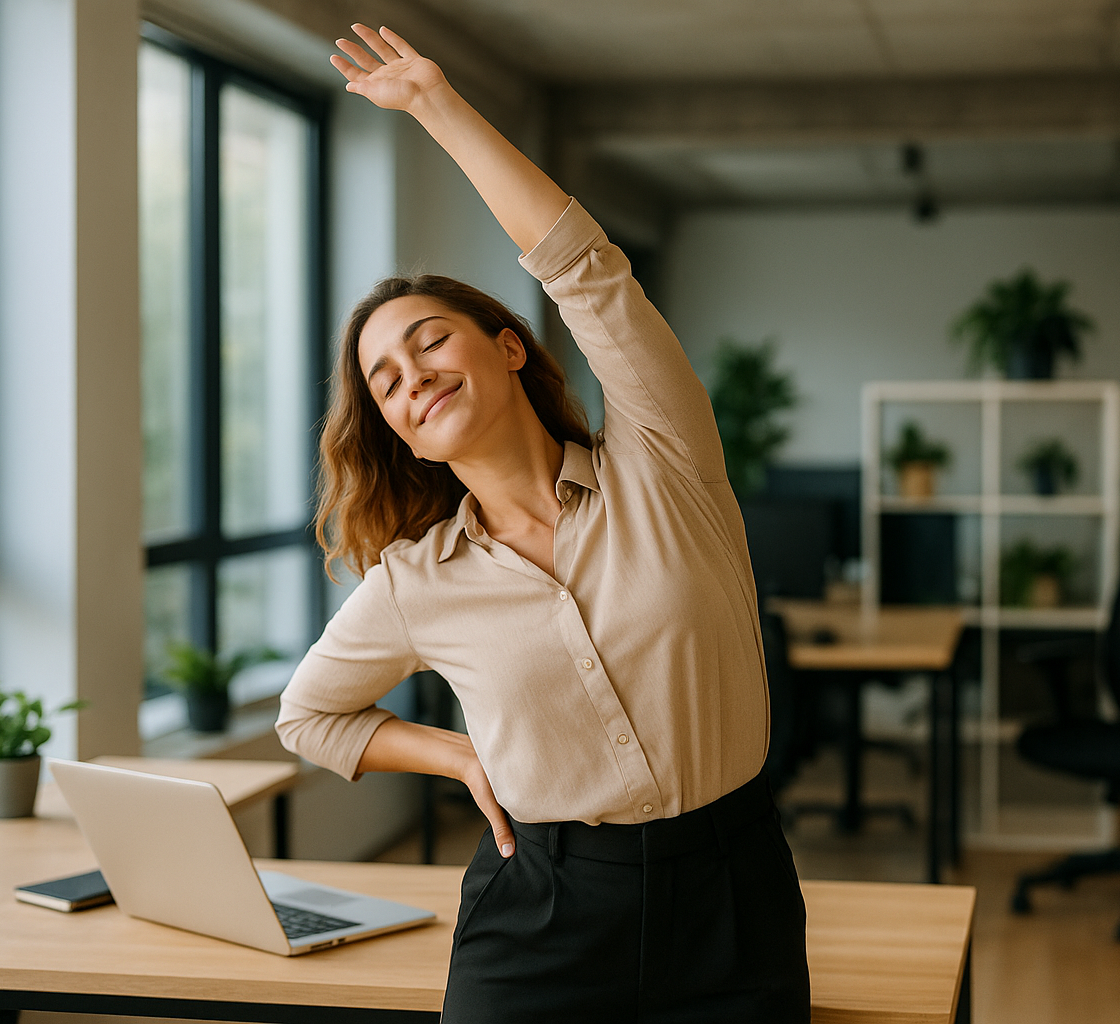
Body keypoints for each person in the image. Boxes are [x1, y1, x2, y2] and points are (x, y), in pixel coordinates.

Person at [275, 22, 810, 1023]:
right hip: (544, 912)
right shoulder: (414, 578)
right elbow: (308, 715)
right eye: (384, 382)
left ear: (509, 348)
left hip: (730, 899)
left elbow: (587, 270)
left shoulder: (664, 461)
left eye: (430, 340)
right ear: (397, 434)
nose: (411, 378)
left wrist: (439, 107)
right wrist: (456, 757)